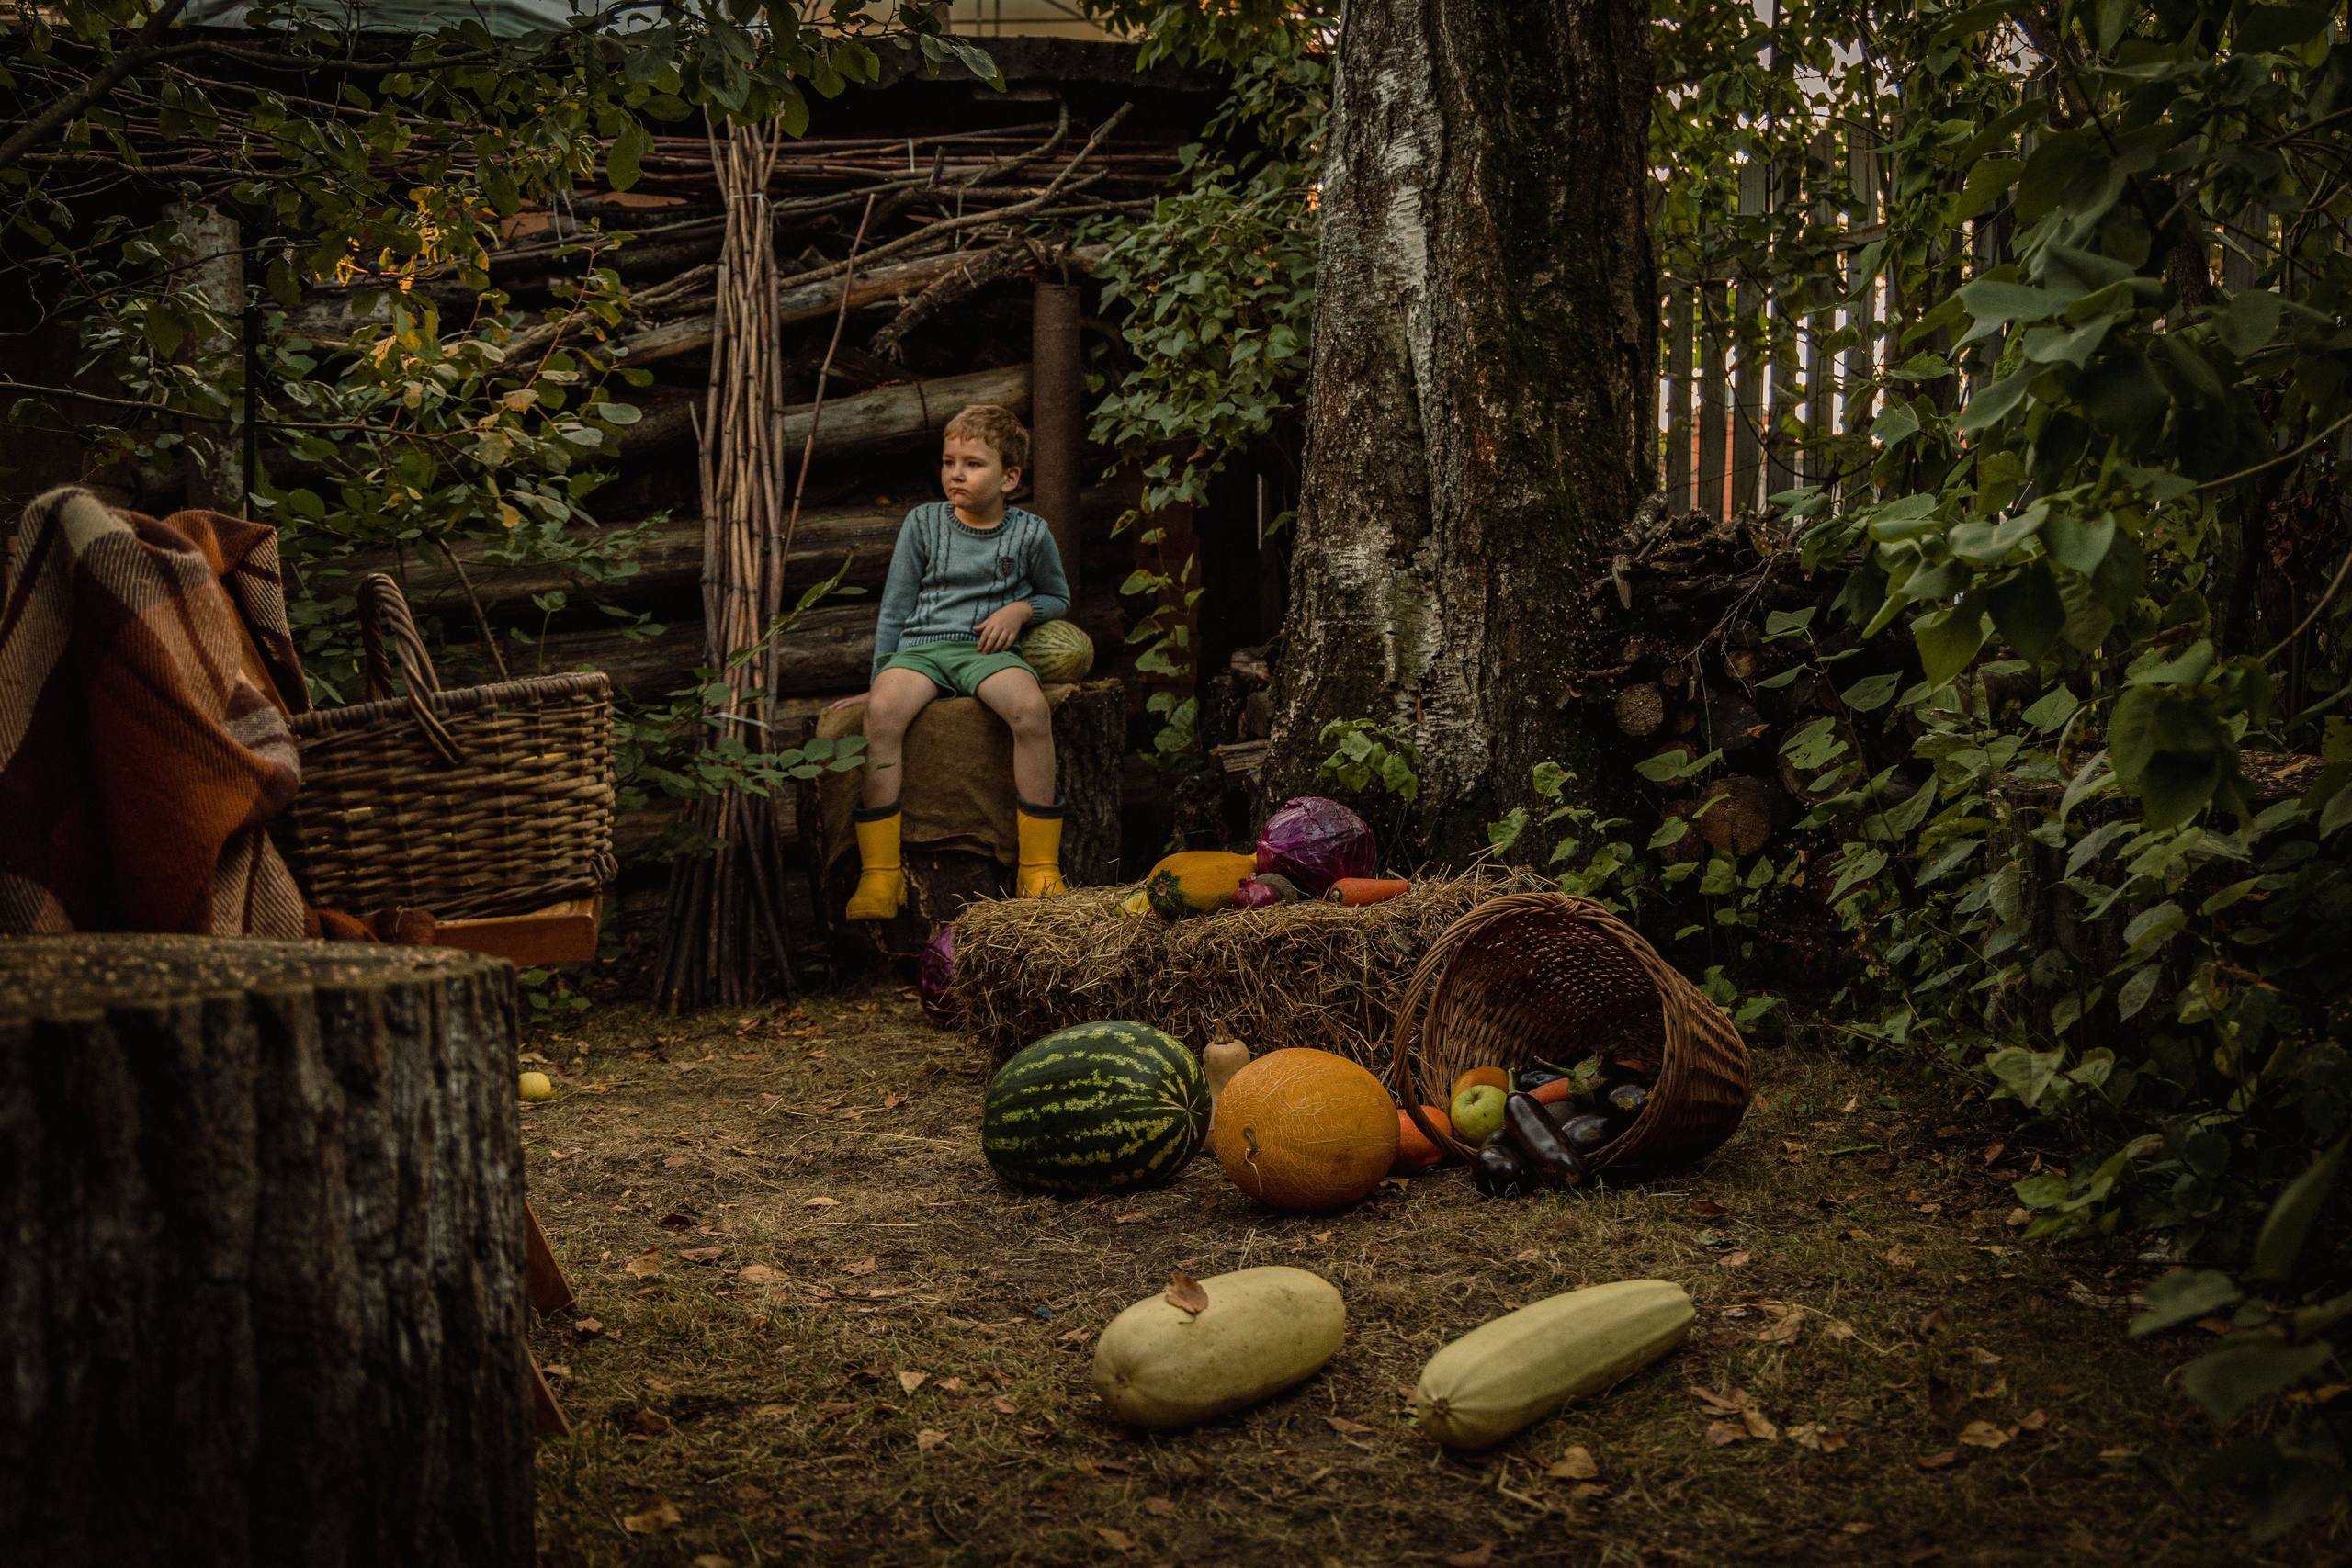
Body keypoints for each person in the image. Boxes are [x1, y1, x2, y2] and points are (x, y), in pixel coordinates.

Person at [829, 404, 1071, 920]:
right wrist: (879, 681)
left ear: (1010, 478)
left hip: (989, 652)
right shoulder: (922, 524)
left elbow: (1059, 598)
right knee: (883, 716)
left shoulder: (1030, 534)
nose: (956, 474)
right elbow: (895, 609)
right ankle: (881, 875)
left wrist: (1022, 608)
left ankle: (1038, 866)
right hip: (922, 649)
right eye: (948, 461)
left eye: (973, 464)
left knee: (1031, 711)